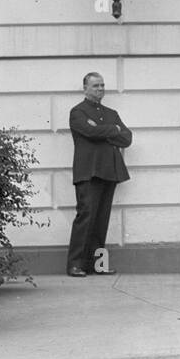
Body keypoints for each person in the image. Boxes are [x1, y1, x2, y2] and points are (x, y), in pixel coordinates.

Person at [66, 72, 133, 277]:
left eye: (102, 85)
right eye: (95, 86)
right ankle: (75, 264)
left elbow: (127, 138)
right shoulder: (77, 112)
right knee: (86, 217)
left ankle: (98, 264)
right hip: (88, 172)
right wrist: (112, 131)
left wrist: (106, 129)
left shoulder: (111, 113)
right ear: (85, 88)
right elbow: (89, 132)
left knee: (101, 219)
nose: (100, 89)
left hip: (109, 171)